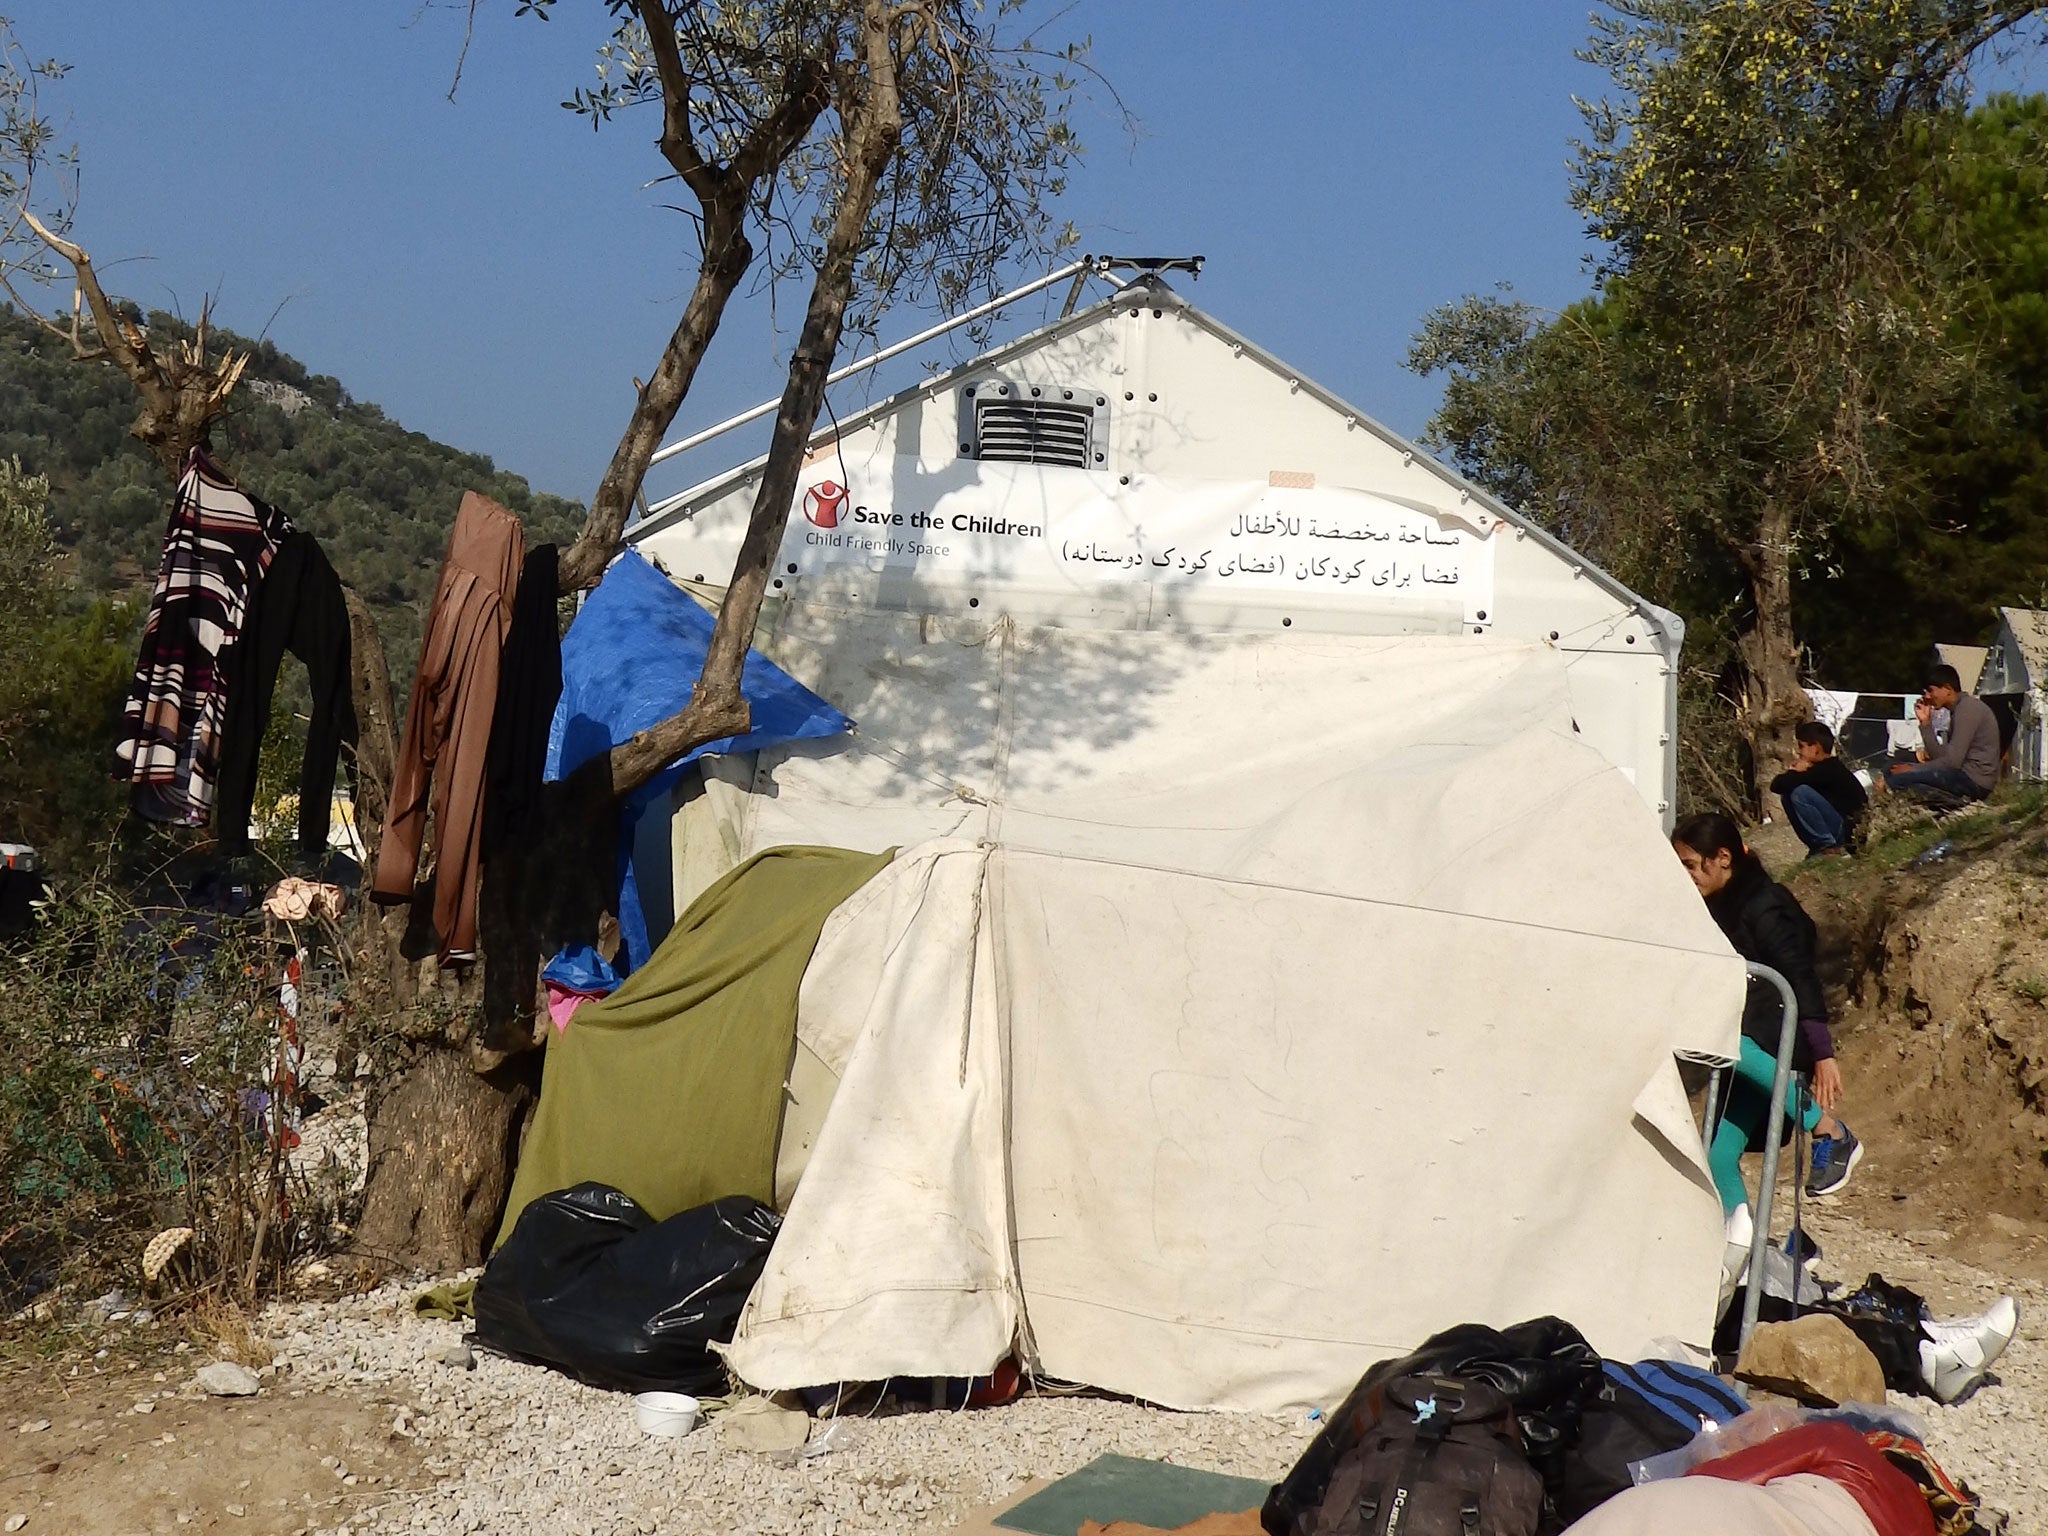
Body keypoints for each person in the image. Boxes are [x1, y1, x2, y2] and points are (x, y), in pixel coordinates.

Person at [1671, 815, 1861, 1241]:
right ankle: (1745, 1252)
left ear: (1722, 859)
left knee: (1722, 1040)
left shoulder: (1765, 903)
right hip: (1748, 1046)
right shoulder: (1715, 904)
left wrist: (1822, 1053)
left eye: (1687, 865)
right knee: (1719, 1157)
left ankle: (1830, 1131)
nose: (1683, 875)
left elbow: (1799, 974)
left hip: (1775, 1037)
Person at [1884, 663, 1999, 805]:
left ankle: (1957, 804)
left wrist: (1913, 769)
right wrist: (1925, 724)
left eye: (1931, 691)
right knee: (1891, 770)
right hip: (1962, 775)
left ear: (1947, 689)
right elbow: (1941, 757)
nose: (1928, 696)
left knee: (1898, 780)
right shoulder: (1958, 711)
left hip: (1974, 780)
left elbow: (1952, 762)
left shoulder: (1968, 709)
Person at [1769, 722, 1868, 858]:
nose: (1798, 752)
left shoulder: (1828, 770)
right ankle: (1817, 847)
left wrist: (1794, 773)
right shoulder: (1818, 770)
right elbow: (1777, 786)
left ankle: (1828, 846)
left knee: (1800, 793)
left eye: (1801, 747)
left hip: (1849, 831)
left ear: (1816, 747)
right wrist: (1794, 772)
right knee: (1788, 795)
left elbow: (1781, 784)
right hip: (1840, 826)